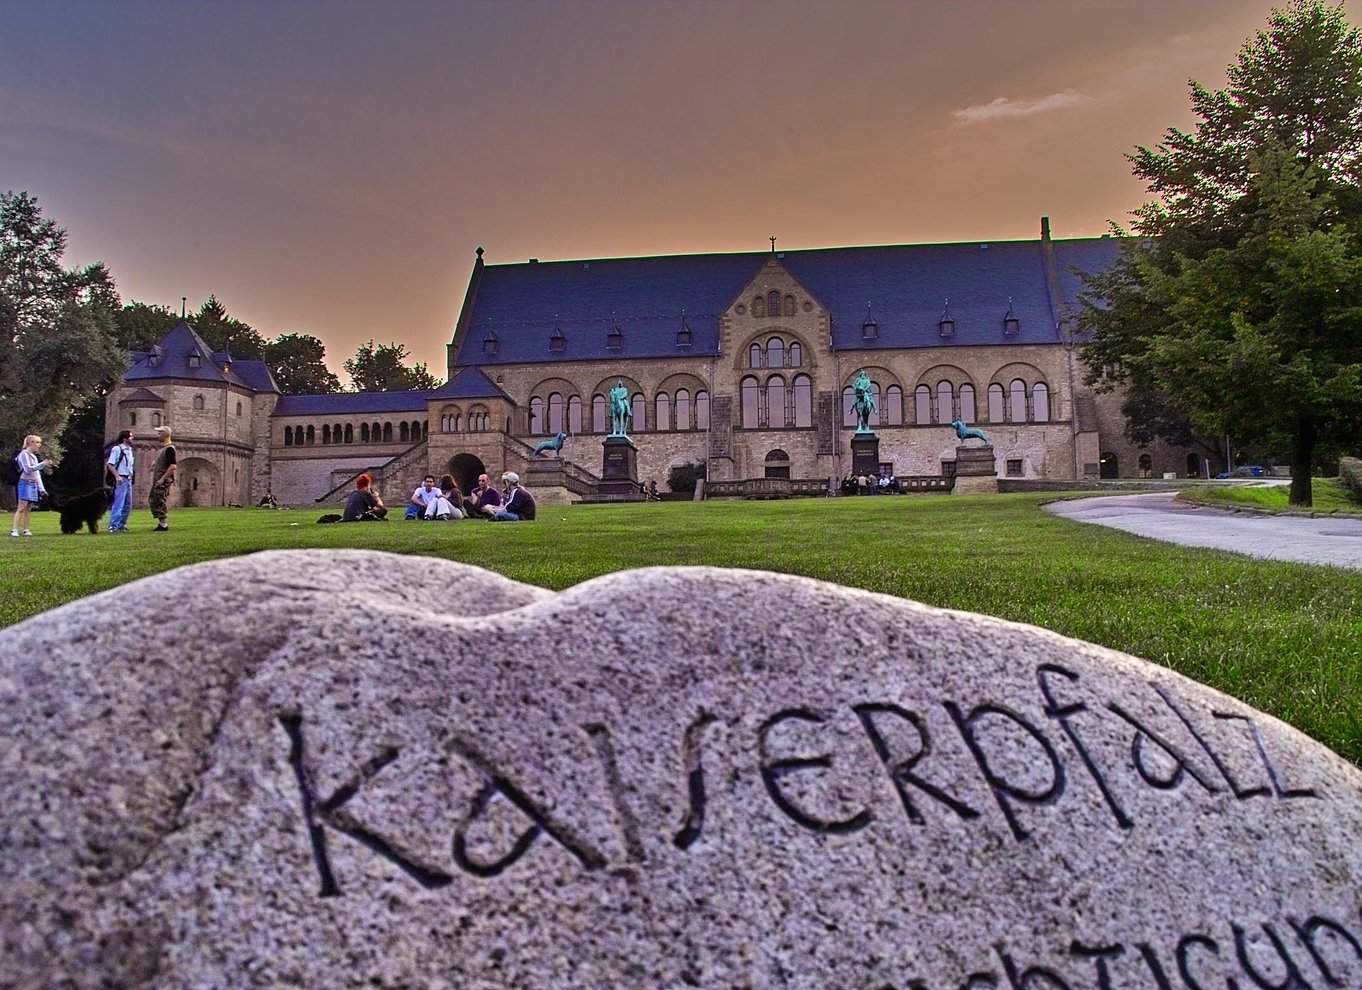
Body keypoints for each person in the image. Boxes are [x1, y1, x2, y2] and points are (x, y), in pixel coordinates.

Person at [11, 435, 53, 537]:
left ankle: (26, 529)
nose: (39, 445)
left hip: (33, 483)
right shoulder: (23, 455)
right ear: (31, 443)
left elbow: (37, 474)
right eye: (37, 442)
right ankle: (14, 529)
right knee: (22, 506)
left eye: (40, 442)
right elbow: (28, 469)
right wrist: (42, 464)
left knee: (29, 508)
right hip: (25, 482)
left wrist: (41, 489)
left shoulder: (33, 456)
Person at [103, 430, 136, 532]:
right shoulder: (117, 449)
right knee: (119, 503)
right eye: (130, 437)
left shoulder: (129, 450)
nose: (132, 438)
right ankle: (113, 525)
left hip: (128, 479)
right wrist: (117, 476)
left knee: (127, 504)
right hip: (121, 479)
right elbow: (110, 464)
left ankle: (121, 524)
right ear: (124, 438)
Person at [149, 426, 178, 532]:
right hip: (159, 479)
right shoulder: (164, 449)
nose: (157, 435)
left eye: (159, 433)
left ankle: (163, 524)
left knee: (160, 500)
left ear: (165, 434)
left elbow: (173, 466)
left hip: (163, 480)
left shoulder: (169, 449)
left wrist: (162, 479)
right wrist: (155, 465)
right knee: (154, 500)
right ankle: (161, 523)